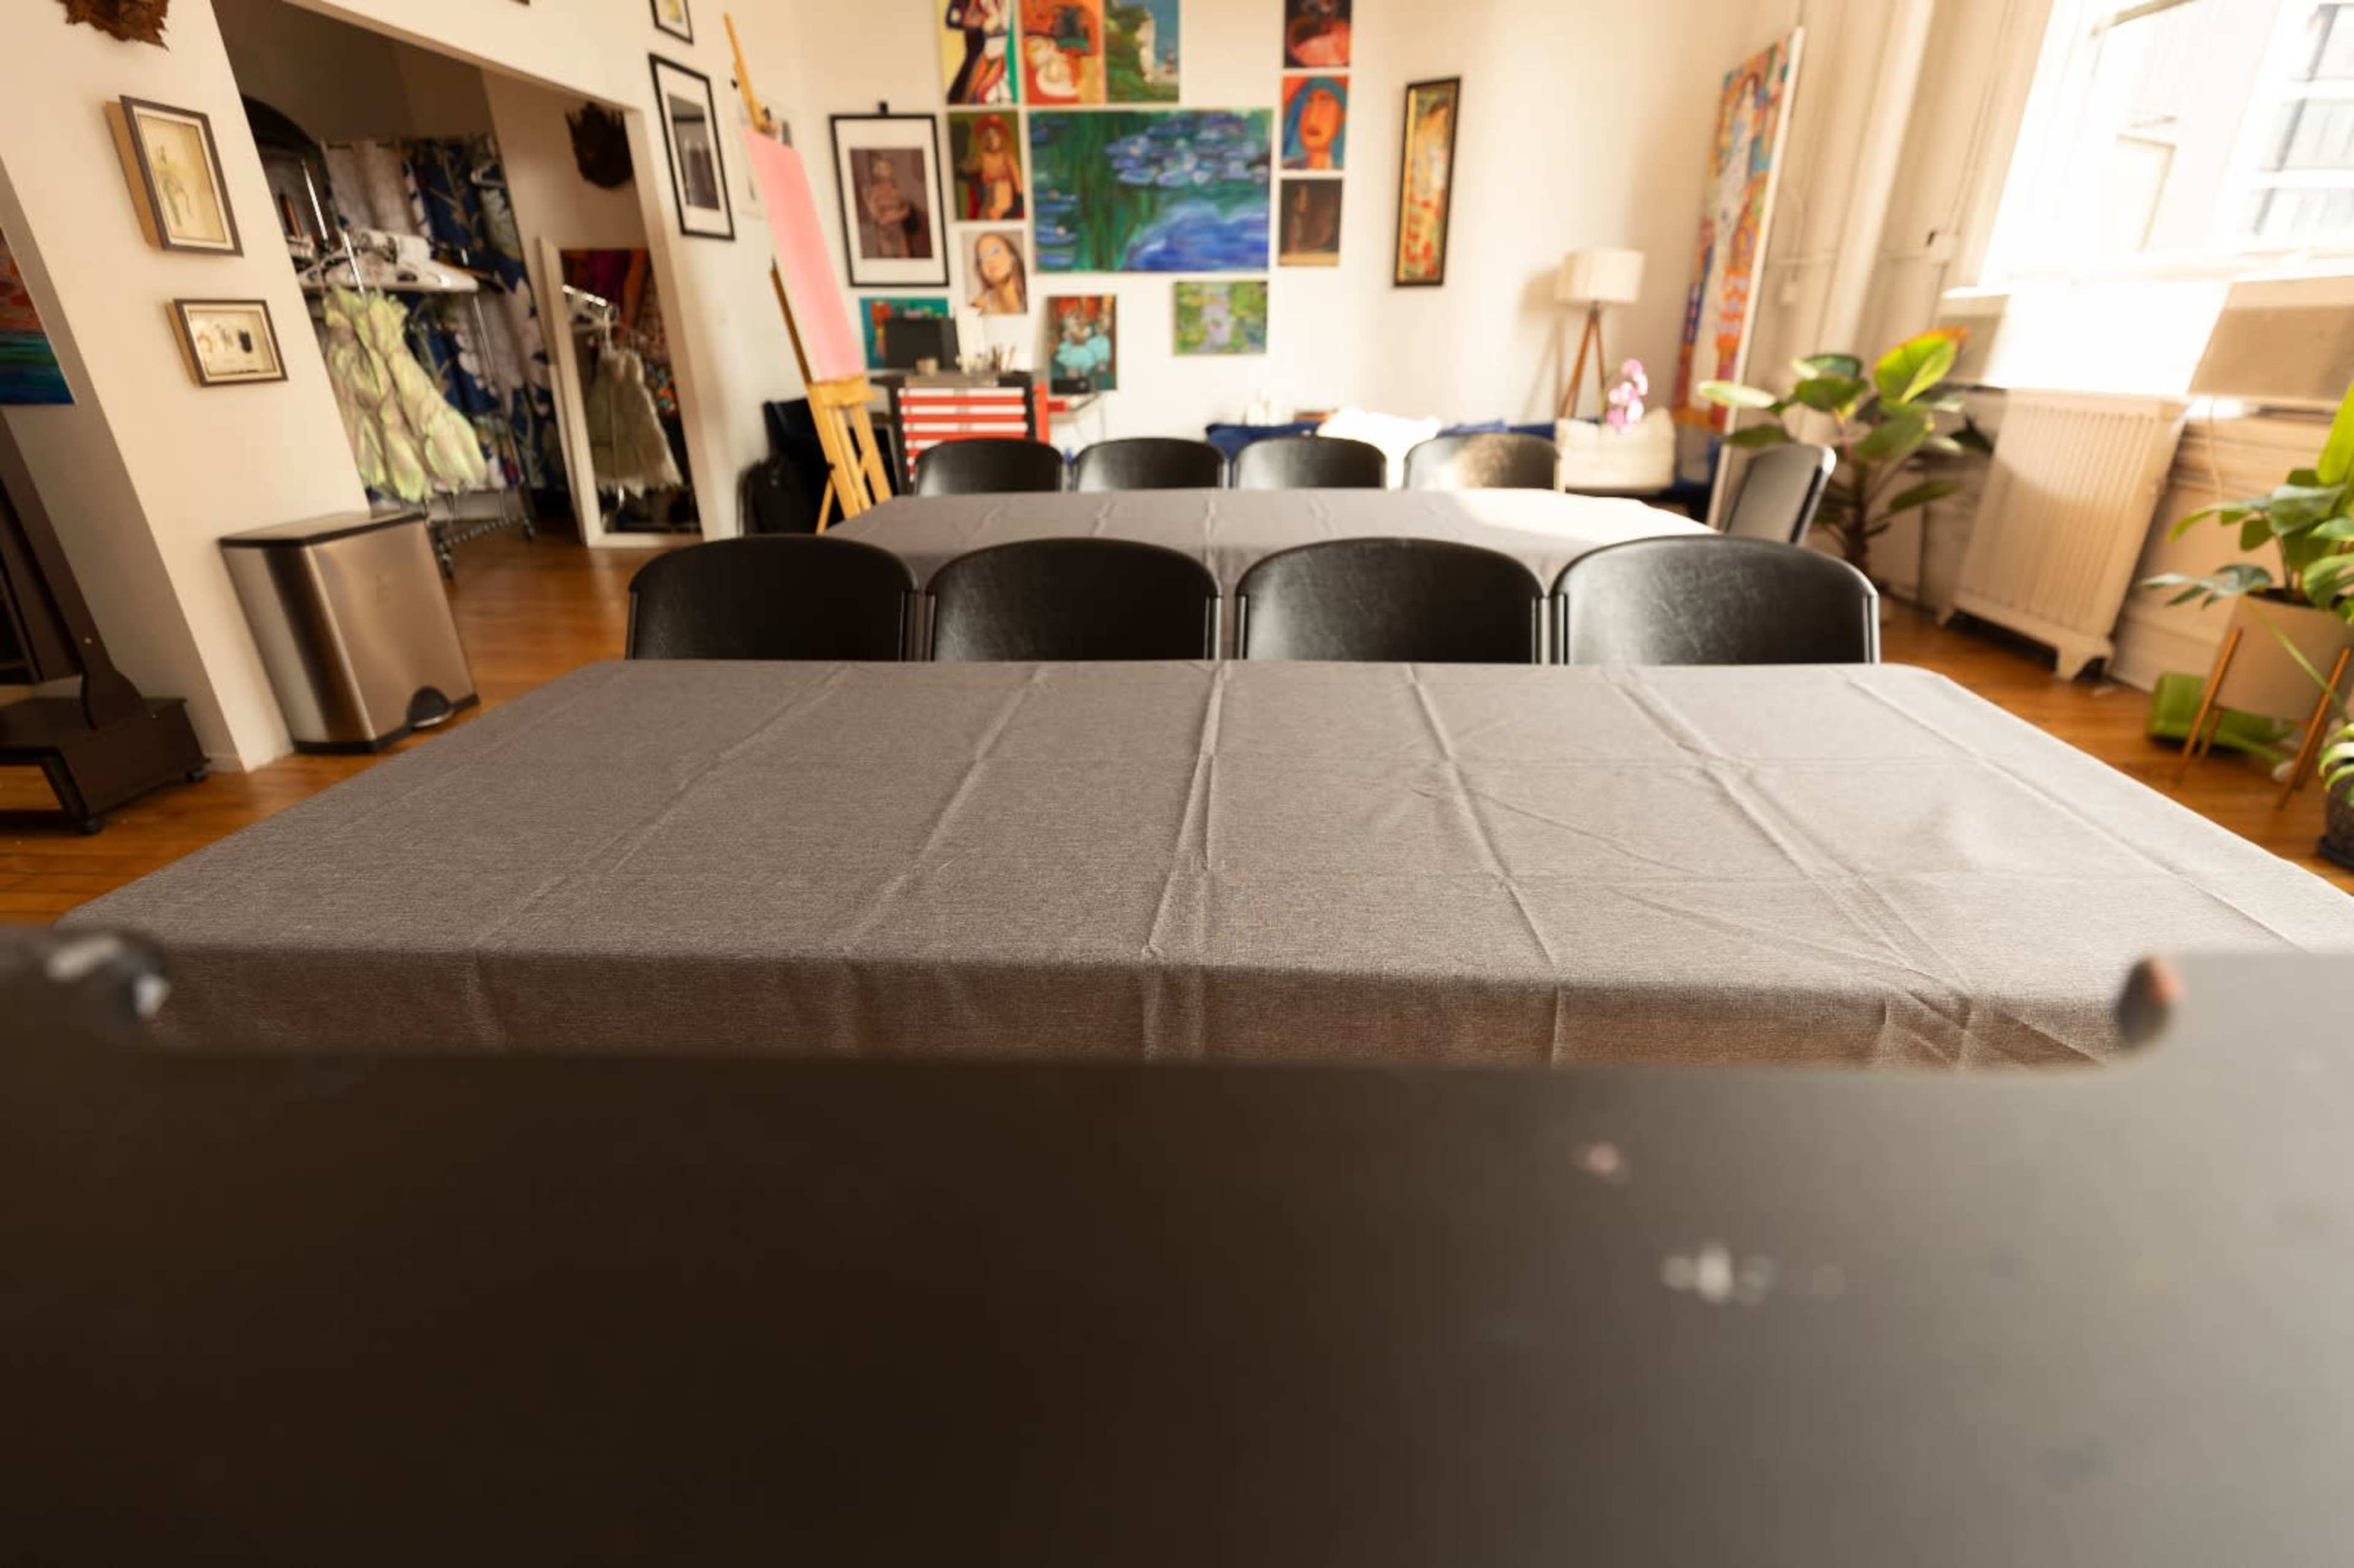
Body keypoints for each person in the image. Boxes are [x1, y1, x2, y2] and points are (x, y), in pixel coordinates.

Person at [945, 0, 1011, 105]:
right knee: (973, 74)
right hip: (981, 40)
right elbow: (955, 20)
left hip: (993, 46)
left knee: (976, 73)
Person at [860, 154, 924, 261]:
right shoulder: (874, 192)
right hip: (885, 236)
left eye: (887, 168)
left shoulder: (897, 190)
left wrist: (900, 213)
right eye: (881, 168)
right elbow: (880, 220)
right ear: (875, 171)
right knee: (889, 260)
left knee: (905, 259)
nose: (885, 172)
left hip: (900, 233)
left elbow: (907, 209)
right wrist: (898, 214)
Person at [961, 116, 1024, 222]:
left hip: (1003, 207)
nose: (992, 139)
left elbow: (1020, 189)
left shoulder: (1008, 158)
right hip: (986, 207)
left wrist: (1007, 213)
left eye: (995, 135)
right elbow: (962, 170)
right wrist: (978, 182)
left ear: (1001, 137)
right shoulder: (981, 157)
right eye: (988, 135)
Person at [1283, 80, 1345, 172]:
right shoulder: (1285, 169)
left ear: (1342, 116)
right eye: (1308, 103)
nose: (1312, 118)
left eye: (1325, 103)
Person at [968, 231, 1027, 315]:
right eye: (982, 258)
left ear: (1013, 257)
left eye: (995, 251)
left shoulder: (1030, 296)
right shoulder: (978, 307)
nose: (990, 261)